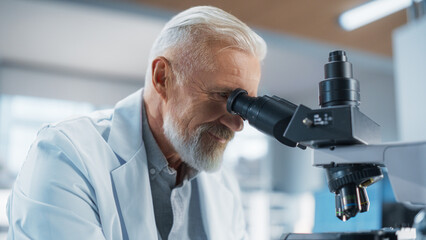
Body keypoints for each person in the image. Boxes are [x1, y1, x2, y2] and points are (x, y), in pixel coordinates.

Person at [7, 5, 267, 240]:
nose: (237, 124)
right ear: (162, 78)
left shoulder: (224, 184)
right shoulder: (65, 156)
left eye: (246, 104)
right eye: (223, 96)